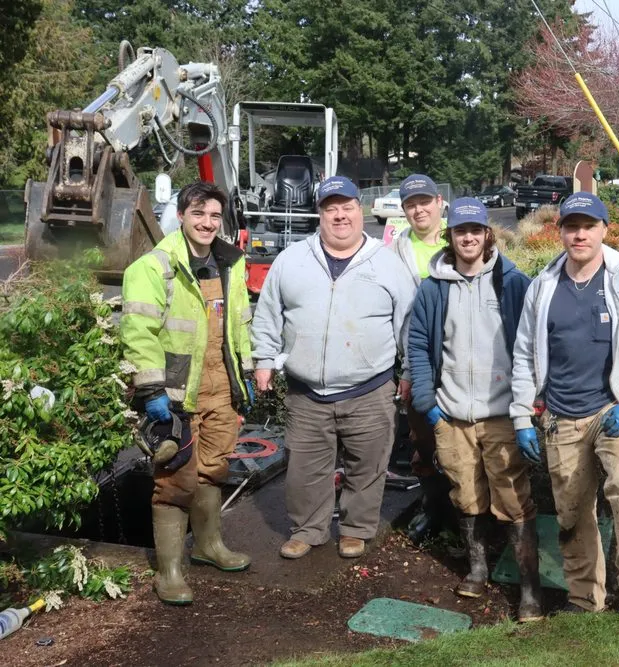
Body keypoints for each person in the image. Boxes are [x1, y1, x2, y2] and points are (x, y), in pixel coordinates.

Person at [510, 192, 619, 627]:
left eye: (588, 225)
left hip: (614, 409)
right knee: (571, 510)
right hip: (560, 415)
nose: (579, 234)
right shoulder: (543, 287)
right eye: (571, 226)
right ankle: (586, 598)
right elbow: (525, 353)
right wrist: (521, 417)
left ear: (605, 229)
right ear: (560, 230)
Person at [251, 176, 415, 560]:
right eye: (331, 208)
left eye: (347, 207)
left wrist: (407, 372)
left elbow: (408, 323)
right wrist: (263, 359)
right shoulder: (292, 258)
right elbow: (268, 314)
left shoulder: (387, 263)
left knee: (368, 464)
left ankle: (356, 529)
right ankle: (309, 529)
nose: (340, 215)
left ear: (360, 210)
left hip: (369, 388)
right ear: (320, 213)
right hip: (306, 391)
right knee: (305, 468)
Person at [407, 197, 540, 622]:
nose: (468, 238)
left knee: (514, 501)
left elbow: (531, 345)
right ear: (450, 236)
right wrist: (428, 405)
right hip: (451, 415)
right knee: (465, 496)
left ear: (488, 235)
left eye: (475, 231)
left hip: (501, 413)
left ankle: (529, 589)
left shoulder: (512, 283)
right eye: (460, 231)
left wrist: (527, 405)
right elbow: (418, 348)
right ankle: (478, 569)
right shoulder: (432, 288)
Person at [121, 181, 255, 605]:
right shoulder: (154, 267)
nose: (207, 222)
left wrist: (245, 374)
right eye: (199, 214)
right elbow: (139, 333)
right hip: (176, 392)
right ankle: (170, 572)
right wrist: (151, 389)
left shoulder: (231, 263)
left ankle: (208, 546)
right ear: (181, 216)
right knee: (174, 479)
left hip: (221, 388)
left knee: (214, 468)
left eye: (215, 215)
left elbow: (240, 325)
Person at [389, 173, 453, 543]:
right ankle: (434, 512)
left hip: (461, 362)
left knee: (467, 441)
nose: (419, 209)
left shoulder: (461, 239)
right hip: (417, 363)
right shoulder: (395, 251)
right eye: (411, 204)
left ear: (439, 202)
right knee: (423, 441)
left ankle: (470, 515)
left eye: (425, 201)